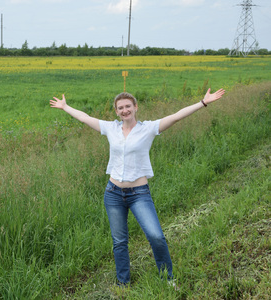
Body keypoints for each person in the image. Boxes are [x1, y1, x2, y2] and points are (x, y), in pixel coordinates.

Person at [49, 88, 226, 287]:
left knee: (156, 236)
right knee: (119, 242)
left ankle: (168, 279)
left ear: (135, 107)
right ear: (116, 111)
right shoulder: (110, 128)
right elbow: (84, 117)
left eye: (128, 106)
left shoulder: (148, 129)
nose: (125, 110)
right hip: (113, 193)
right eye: (120, 108)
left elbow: (176, 117)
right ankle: (123, 283)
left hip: (139, 194)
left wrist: (203, 103)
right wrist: (65, 107)